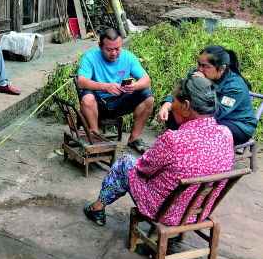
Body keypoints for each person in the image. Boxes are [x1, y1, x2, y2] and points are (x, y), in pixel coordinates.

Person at [83, 76, 234, 227]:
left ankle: (97, 208)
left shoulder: (173, 139)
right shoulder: (225, 133)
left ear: (186, 106)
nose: (172, 106)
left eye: (174, 101)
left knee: (125, 162)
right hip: (197, 211)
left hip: (165, 212)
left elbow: (143, 168)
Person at [157, 45, 257, 145]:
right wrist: (167, 105)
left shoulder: (235, 87)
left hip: (235, 123)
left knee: (210, 129)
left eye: (205, 66)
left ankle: (198, 153)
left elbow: (217, 112)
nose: (200, 69)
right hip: (204, 117)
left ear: (222, 68)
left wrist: (204, 84)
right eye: (199, 64)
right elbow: (181, 93)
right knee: (172, 114)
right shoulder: (197, 74)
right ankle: (182, 147)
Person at [76, 27, 154, 154]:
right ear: (100, 46)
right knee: (87, 97)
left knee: (148, 96)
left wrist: (135, 86)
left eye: (117, 48)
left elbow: (146, 80)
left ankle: (134, 138)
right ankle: (95, 136)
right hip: (98, 103)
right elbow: (81, 82)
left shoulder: (128, 57)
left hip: (120, 101)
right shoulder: (90, 57)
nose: (114, 53)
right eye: (109, 49)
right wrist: (106, 87)